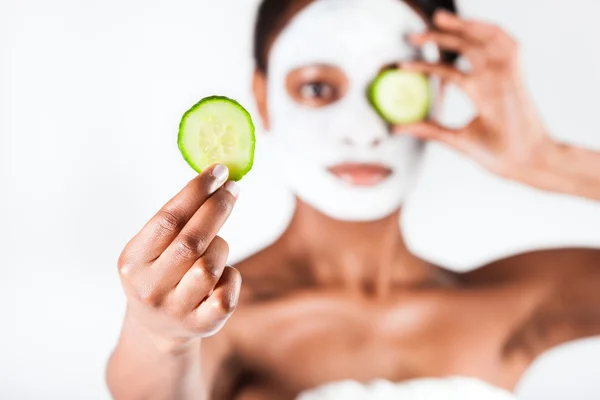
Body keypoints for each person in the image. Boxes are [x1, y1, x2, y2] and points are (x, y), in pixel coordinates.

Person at [106, 0, 600, 399]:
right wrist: (160, 339)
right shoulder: (218, 319)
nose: (363, 133)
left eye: (396, 86)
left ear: (438, 96)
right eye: (319, 87)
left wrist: (549, 161)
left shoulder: (515, 302)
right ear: (263, 97)